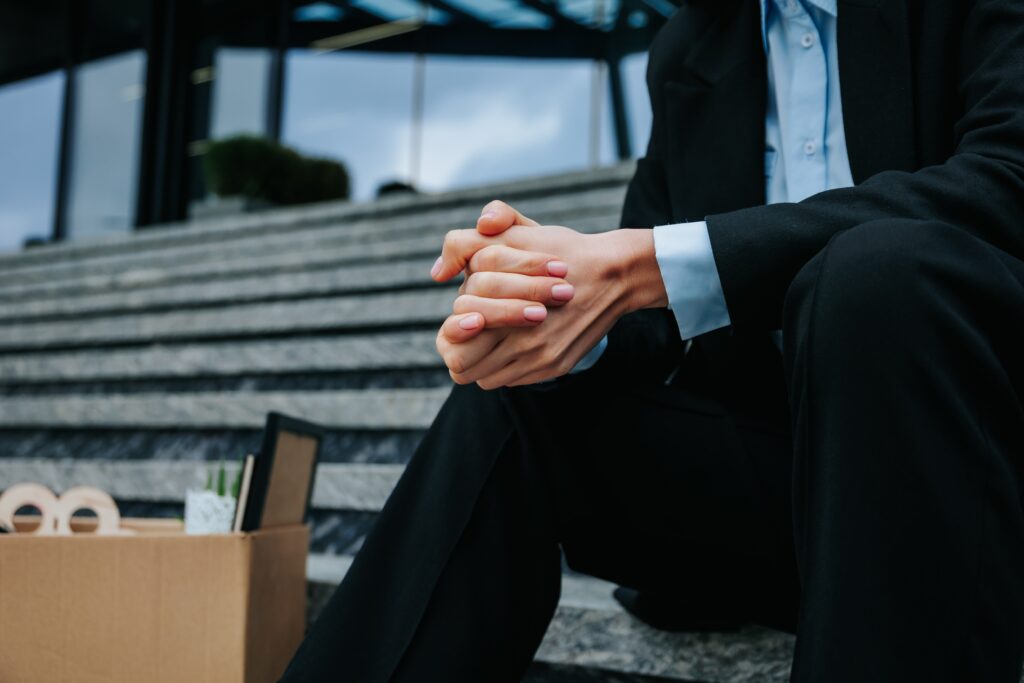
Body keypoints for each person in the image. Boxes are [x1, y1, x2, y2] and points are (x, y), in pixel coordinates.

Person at [280, 0, 1024, 680]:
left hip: (970, 488)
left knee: (875, 277)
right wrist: (549, 305)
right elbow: (655, 306)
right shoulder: (695, 45)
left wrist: (644, 263)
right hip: (792, 508)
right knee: (524, 395)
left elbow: (1005, 182)